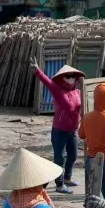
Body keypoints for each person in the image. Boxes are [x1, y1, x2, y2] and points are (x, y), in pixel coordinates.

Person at [31, 60, 84, 194]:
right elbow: (46, 81)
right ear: (62, 78)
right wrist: (38, 70)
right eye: (68, 76)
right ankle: (59, 184)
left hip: (73, 130)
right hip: (59, 130)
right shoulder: (57, 90)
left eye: (73, 76)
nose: (71, 78)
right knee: (60, 158)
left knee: (73, 155)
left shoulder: (78, 92)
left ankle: (67, 178)